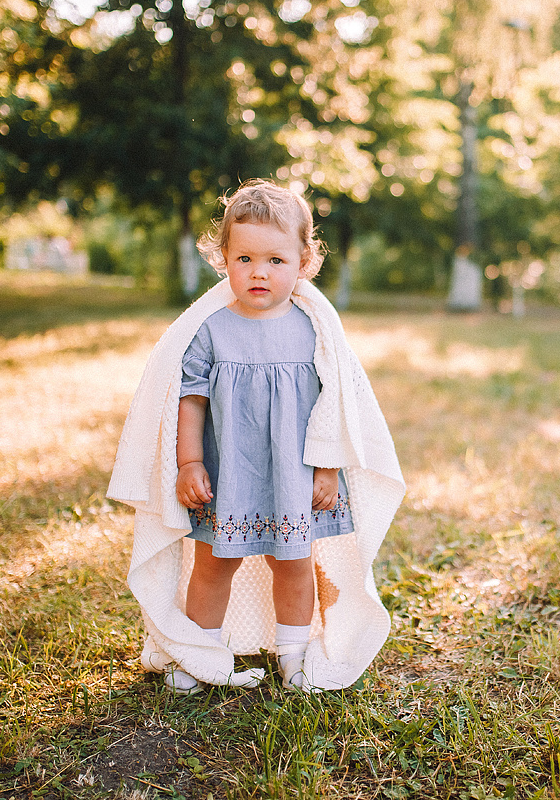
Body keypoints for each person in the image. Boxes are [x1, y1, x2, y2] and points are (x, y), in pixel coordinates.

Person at [107, 180, 404, 693]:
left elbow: (333, 405)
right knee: (213, 563)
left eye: (275, 260)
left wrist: (328, 468)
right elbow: (189, 398)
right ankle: (200, 652)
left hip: (295, 473)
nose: (259, 272)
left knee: (294, 564)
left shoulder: (315, 330)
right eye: (244, 258)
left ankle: (293, 653)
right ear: (223, 259)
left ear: (304, 262)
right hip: (226, 474)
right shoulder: (210, 329)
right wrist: (189, 463)